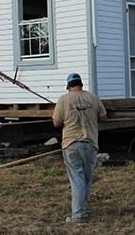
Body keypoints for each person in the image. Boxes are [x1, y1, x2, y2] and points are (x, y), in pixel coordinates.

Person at [52, 72, 107, 223]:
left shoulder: (64, 99)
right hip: (90, 143)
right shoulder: (93, 98)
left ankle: (78, 215)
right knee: (87, 179)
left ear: (69, 86)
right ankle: (83, 209)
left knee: (77, 180)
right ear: (80, 84)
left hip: (71, 144)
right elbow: (103, 117)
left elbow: (56, 123)